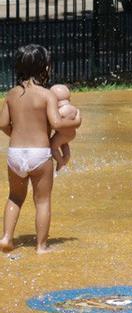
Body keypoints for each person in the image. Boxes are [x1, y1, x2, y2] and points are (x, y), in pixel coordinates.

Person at [0, 45, 80, 254]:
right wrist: (77, 120)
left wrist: (17, 135)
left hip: (16, 154)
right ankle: (41, 246)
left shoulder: (11, 94)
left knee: (15, 197)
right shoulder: (46, 95)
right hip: (39, 154)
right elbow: (57, 123)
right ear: (46, 67)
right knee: (42, 200)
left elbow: (2, 124)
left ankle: (7, 237)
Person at [49, 84, 80, 170]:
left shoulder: (60, 111)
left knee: (52, 146)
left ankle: (61, 162)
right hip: (72, 135)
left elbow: (54, 124)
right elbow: (78, 119)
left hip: (61, 135)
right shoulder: (74, 109)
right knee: (63, 144)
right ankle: (66, 157)